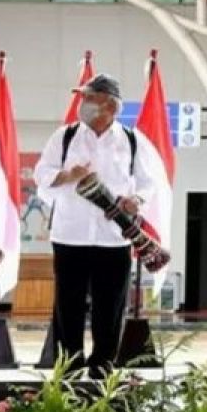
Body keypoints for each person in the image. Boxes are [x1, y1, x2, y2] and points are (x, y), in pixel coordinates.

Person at [35, 73, 158, 378]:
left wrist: (136, 201)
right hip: (70, 234)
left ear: (111, 106)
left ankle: (102, 365)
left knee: (111, 306)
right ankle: (69, 366)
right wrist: (68, 174)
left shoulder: (131, 139)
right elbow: (41, 176)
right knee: (68, 305)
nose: (84, 104)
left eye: (90, 98)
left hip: (114, 237)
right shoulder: (64, 136)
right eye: (84, 98)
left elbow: (148, 183)